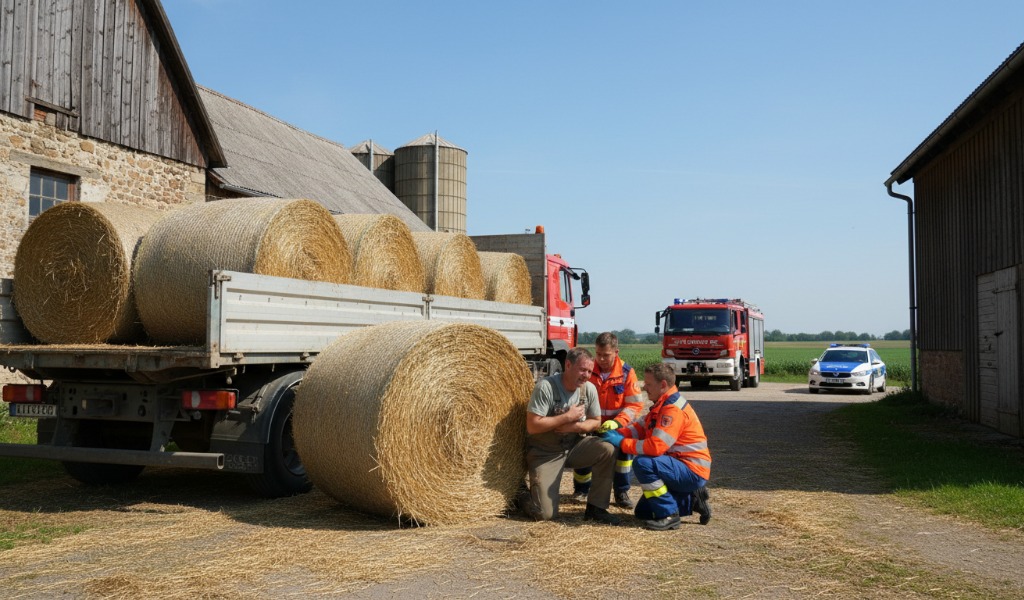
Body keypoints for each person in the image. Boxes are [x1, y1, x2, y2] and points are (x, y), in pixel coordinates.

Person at [601, 362, 712, 531]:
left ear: (663, 385)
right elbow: (642, 428)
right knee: (643, 513)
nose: (644, 387)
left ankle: (669, 516)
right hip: (680, 465)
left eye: (648, 384)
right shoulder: (663, 403)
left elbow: (655, 447)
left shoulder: (672, 409)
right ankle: (693, 499)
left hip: (691, 469)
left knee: (643, 463)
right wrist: (620, 432)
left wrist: (621, 443)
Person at [522, 347, 620, 525]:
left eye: (590, 371)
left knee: (607, 449)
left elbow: (596, 421)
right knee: (545, 514)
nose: (587, 375)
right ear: (568, 365)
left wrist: (575, 426)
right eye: (583, 370)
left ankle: (596, 508)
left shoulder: (588, 389)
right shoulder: (546, 387)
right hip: (546, 453)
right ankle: (521, 494)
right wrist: (566, 417)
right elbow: (533, 426)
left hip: (574, 446)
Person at [572, 332, 643, 509]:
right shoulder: (588, 370)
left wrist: (617, 423)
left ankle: (621, 492)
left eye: (606, 355)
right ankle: (581, 489)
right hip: (590, 423)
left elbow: (634, 406)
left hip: (616, 426)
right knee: (583, 453)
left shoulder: (627, 373)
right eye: (598, 354)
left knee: (624, 455)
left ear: (616, 352)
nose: (601, 359)